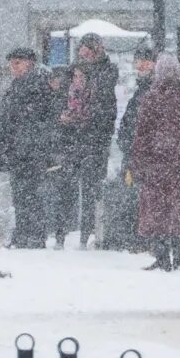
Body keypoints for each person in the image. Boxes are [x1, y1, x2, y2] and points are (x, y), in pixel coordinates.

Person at [130, 61, 180, 271]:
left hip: (157, 164)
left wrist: (139, 162)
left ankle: (162, 255)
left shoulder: (151, 99)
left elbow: (142, 134)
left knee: (157, 211)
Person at [0, 47, 55, 249]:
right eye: (11, 64)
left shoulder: (37, 85)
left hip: (30, 150)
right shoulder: (19, 85)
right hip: (19, 149)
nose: (13, 68)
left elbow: (35, 119)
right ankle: (24, 233)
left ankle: (32, 235)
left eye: (17, 63)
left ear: (29, 63)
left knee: (30, 194)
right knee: (21, 193)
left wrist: (28, 141)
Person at [58, 34, 121, 247]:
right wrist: (65, 118)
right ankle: (61, 233)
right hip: (73, 138)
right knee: (66, 186)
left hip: (93, 139)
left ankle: (87, 234)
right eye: (81, 52)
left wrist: (86, 119)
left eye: (88, 51)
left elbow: (104, 106)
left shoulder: (106, 72)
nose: (84, 56)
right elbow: (61, 99)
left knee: (90, 187)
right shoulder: (71, 74)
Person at [108, 48, 158, 250]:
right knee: (133, 198)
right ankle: (137, 238)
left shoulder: (152, 90)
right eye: (138, 61)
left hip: (144, 157)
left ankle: (141, 239)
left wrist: (134, 144)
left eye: (146, 61)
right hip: (135, 156)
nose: (141, 65)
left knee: (139, 199)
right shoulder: (141, 90)